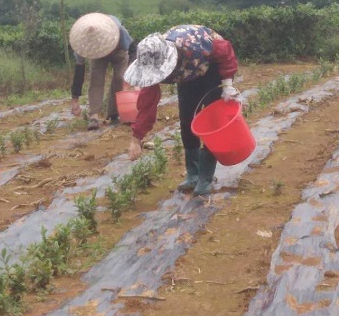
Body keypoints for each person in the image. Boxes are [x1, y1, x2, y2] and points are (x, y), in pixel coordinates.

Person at [124, 24, 239, 196]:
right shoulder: (152, 62)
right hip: (186, 77)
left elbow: (225, 50)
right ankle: (193, 174)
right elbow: (147, 103)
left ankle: (206, 177)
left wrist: (227, 85)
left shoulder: (192, 45)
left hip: (211, 69)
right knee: (186, 120)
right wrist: (136, 138)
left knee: (212, 122)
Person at [69, 13, 134, 130]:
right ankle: (94, 116)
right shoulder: (81, 44)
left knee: (120, 78)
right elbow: (79, 72)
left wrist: (129, 77)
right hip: (96, 55)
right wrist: (75, 99)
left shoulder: (118, 30)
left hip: (118, 51)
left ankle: (114, 113)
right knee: (96, 80)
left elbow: (133, 48)